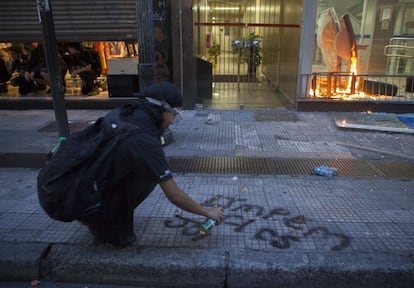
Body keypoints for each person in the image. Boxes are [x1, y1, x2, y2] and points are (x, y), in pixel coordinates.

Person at [84, 81, 225, 247]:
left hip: (87, 186)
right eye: (173, 114)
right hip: (84, 197)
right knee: (152, 174)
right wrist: (207, 212)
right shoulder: (143, 139)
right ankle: (106, 227)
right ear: (161, 109)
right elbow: (175, 196)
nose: (173, 121)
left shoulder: (125, 113)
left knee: (149, 171)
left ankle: (100, 215)